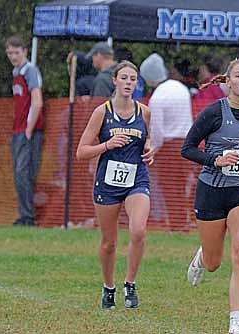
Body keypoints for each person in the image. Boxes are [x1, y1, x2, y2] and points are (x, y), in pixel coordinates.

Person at [181, 58, 239, 334]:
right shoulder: (214, 112)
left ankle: (236, 323)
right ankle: (202, 256)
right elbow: (187, 148)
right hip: (211, 191)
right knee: (213, 263)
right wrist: (215, 160)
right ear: (229, 81)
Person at [76, 61, 154, 308]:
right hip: (108, 182)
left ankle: (129, 284)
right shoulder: (102, 112)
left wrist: (149, 149)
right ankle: (108, 287)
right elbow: (81, 151)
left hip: (136, 179)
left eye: (134, 79)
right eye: (125, 78)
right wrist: (107, 145)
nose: (129, 83)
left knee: (138, 231)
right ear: (115, 81)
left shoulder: (144, 112)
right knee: (109, 243)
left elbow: (147, 139)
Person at [140, 53, 194, 232]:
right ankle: (184, 221)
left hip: (169, 149)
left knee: (170, 188)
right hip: (186, 144)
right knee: (182, 186)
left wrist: (151, 150)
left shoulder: (157, 98)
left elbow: (157, 131)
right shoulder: (180, 88)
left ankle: (177, 225)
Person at [5, 36, 44, 227]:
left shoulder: (30, 71)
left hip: (28, 131)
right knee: (18, 174)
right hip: (18, 130)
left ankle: (28, 217)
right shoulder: (16, 72)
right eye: (10, 53)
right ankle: (24, 215)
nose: (13, 56)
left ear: (25, 52)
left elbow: (37, 101)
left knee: (24, 172)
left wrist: (29, 128)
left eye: (16, 52)